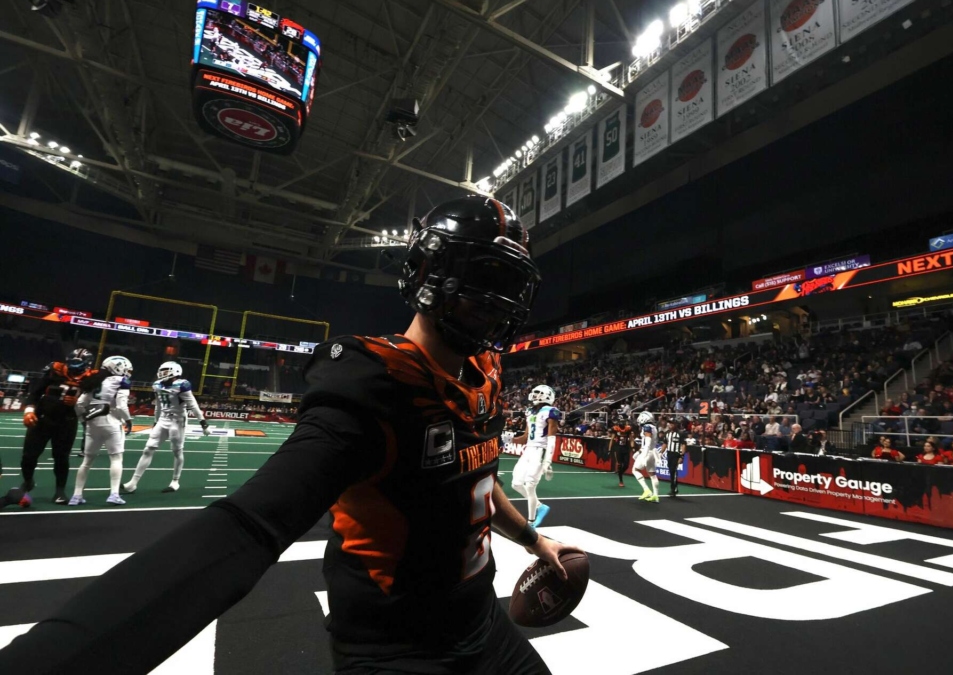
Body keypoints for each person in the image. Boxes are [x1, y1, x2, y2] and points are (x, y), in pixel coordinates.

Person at [0, 195, 581, 675]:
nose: (494, 301)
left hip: (481, 622)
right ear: (429, 273)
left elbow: (474, 479)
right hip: (399, 649)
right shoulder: (379, 385)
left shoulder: (484, 374)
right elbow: (250, 525)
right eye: (481, 277)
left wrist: (535, 541)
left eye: (507, 283)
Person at [19, 348, 98, 505]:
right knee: (29, 456)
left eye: (78, 364)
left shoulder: (91, 379)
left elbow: (96, 404)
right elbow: (35, 393)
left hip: (67, 421)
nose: (74, 368)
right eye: (72, 363)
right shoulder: (55, 371)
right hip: (42, 418)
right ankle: (28, 481)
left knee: (61, 458)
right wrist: (29, 411)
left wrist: (78, 403)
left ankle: (60, 491)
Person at [123, 361, 210, 494]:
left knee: (177, 451)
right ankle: (133, 483)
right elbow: (158, 405)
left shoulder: (181, 385)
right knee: (148, 449)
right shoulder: (157, 385)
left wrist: (203, 423)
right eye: (162, 370)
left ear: (175, 371)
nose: (162, 373)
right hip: (163, 419)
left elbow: (193, 405)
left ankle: (175, 481)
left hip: (177, 420)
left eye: (166, 370)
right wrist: (155, 421)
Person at [70, 356, 134, 506]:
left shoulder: (94, 380)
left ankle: (76, 495)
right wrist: (128, 420)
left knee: (86, 462)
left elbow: (79, 404)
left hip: (93, 424)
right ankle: (114, 494)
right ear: (117, 367)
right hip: (111, 422)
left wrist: (83, 420)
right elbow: (121, 406)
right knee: (116, 459)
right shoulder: (120, 381)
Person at [511, 384, 560, 527]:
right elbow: (525, 437)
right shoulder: (530, 411)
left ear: (547, 395)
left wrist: (547, 461)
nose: (535, 395)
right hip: (529, 449)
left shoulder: (551, 411)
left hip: (541, 450)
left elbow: (551, 439)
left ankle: (531, 522)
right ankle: (540, 506)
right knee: (516, 483)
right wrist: (509, 439)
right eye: (535, 392)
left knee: (530, 485)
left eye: (539, 393)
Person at [632, 410, 660, 502]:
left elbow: (647, 443)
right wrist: (639, 451)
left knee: (635, 470)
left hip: (647, 452)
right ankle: (656, 495)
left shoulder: (647, 427)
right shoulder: (654, 427)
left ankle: (646, 490)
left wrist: (643, 456)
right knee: (652, 474)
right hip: (652, 452)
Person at [662, 418, 684, 497]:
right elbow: (665, 443)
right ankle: (674, 488)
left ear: (676, 424)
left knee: (673, 471)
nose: (670, 425)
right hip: (669, 453)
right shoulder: (667, 433)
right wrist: (661, 452)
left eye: (672, 423)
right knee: (671, 471)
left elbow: (683, 445)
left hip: (676, 454)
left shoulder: (680, 433)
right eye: (670, 423)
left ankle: (674, 489)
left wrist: (681, 456)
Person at [611, 415, 634, 487]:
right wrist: (610, 448)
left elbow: (631, 439)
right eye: (621, 421)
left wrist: (632, 447)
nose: (622, 423)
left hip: (626, 448)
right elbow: (612, 439)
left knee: (626, 465)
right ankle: (621, 480)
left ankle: (620, 473)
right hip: (618, 448)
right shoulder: (615, 429)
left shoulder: (628, 429)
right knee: (620, 464)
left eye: (623, 421)